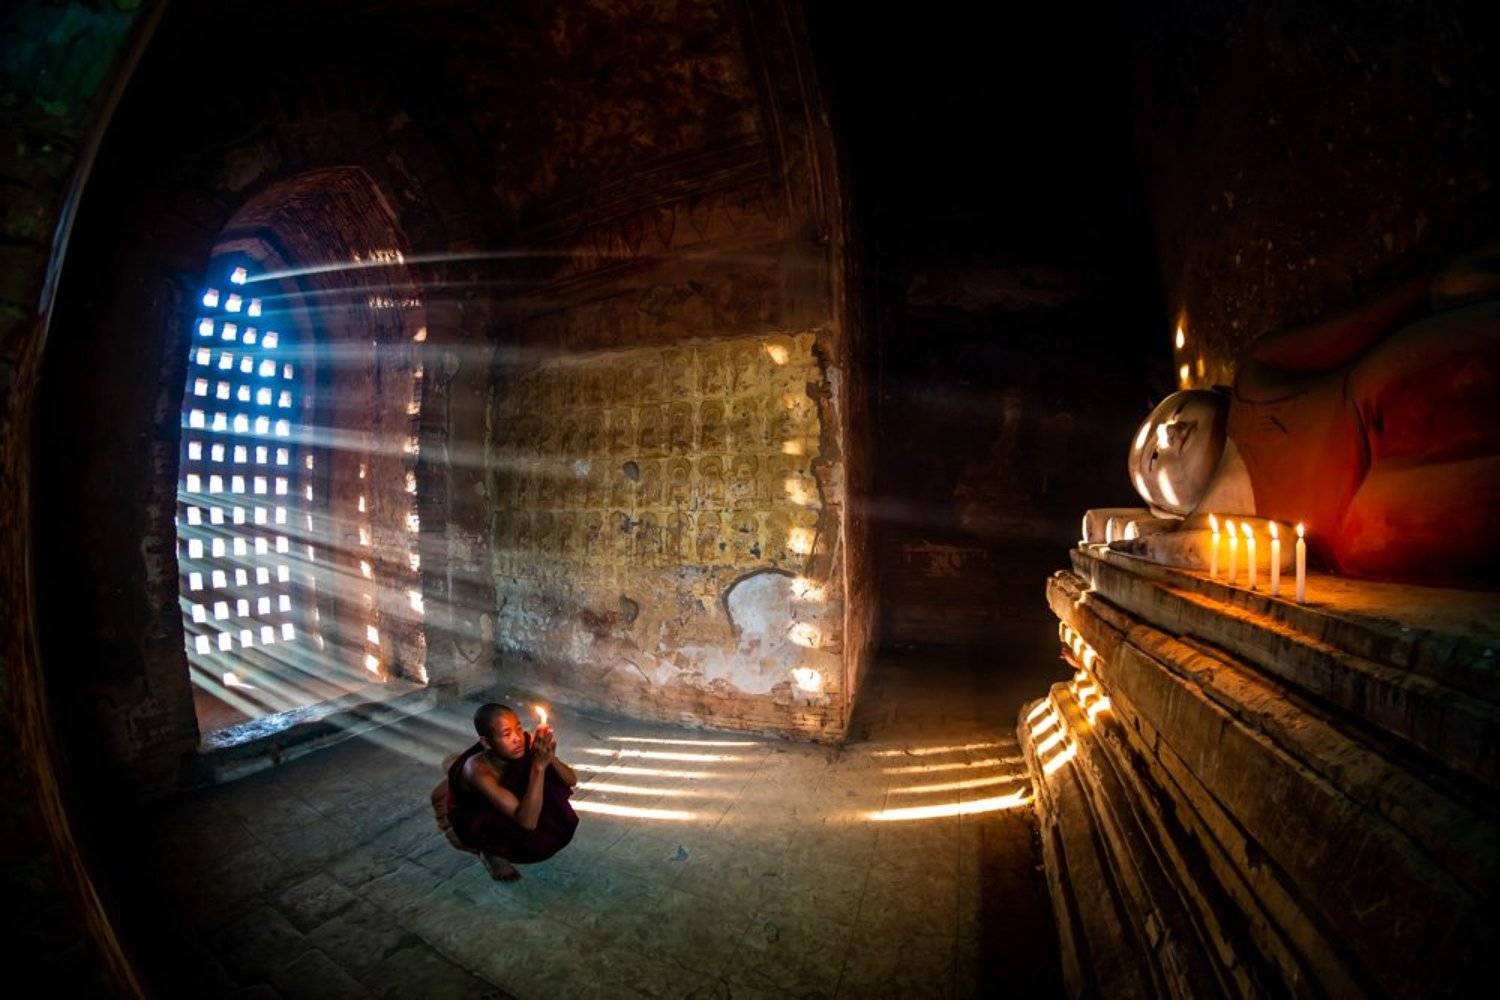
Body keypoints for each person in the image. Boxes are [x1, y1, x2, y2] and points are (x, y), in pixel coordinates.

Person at [1116, 243, 1500, 587]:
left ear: (1214, 392)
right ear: (1171, 508)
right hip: (1374, 519)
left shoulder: (1255, 379)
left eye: (1176, 410)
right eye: (1154, 457)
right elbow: (1275, 551)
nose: (1170, 433)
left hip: (1393, 390)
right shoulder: (1213, 528)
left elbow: (1354, 328)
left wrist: (1430, 288)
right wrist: (1164, 541)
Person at [444, 703, 579, 881]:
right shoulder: (477, 770)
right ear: (487, 742)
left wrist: (550, 758)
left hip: (512, 802)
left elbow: (571, 780)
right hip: (482, 817)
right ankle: (490, 852)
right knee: (529, 839)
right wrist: (538, 767)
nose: (517, 738)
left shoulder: (525, 742)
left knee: (557, 816)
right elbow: (527, 822)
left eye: (519, 728)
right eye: (507, 734)